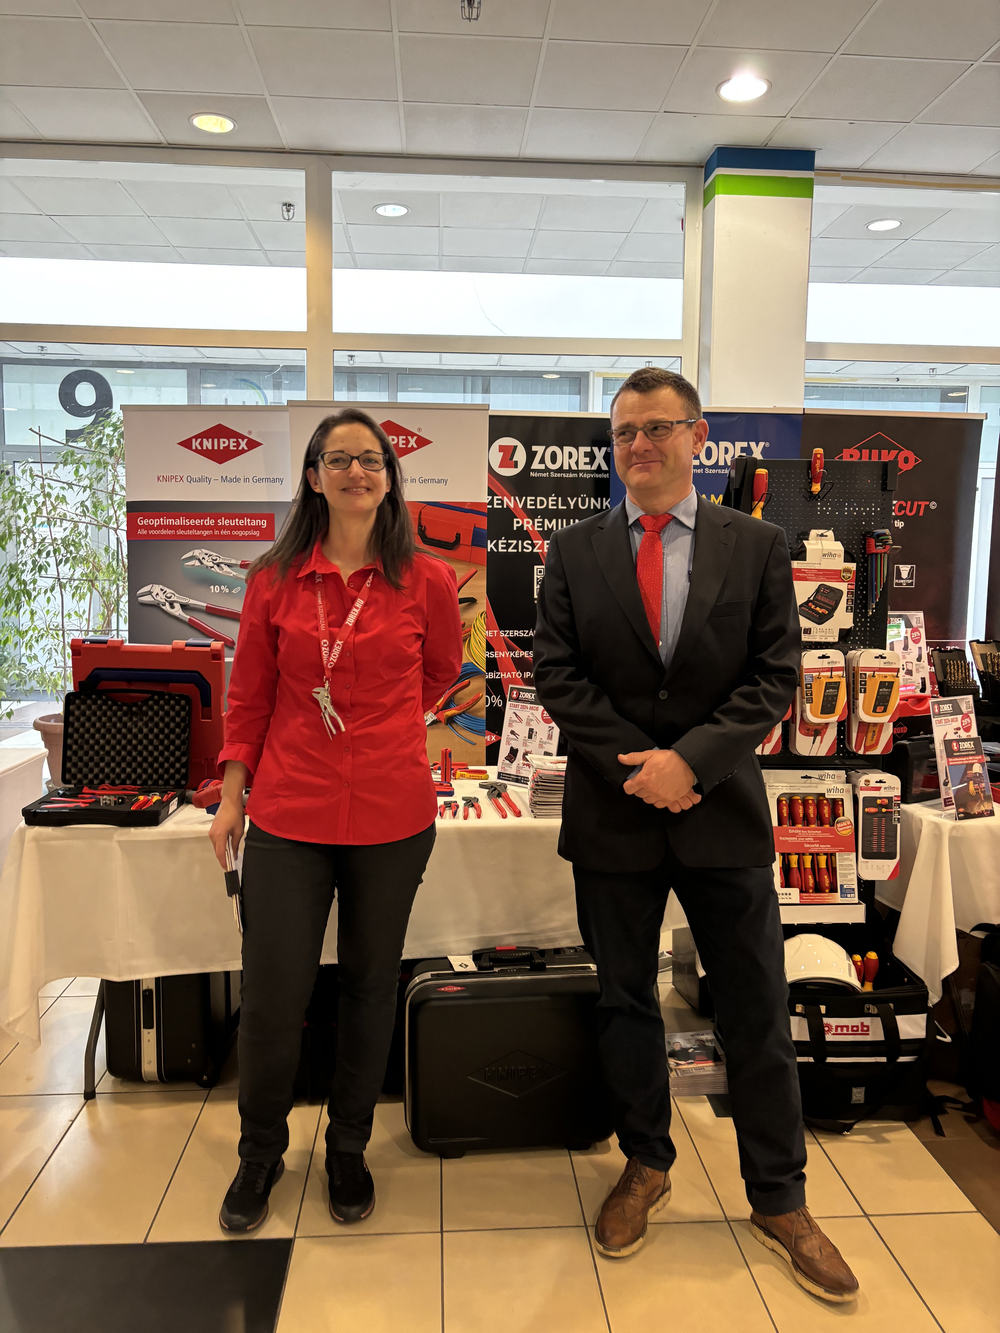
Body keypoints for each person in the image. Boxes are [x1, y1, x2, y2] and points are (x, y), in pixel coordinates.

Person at [533, 368, 859, 1303]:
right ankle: (645, 1162)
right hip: (615, 814)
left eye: (658, 428)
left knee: (756, 1009)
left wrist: (692, 764)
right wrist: (642, 766)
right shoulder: (573, 550)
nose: (640, 445)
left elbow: (774, 673)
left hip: (722, 817)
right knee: (626, 1001)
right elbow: (558, 673)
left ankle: (781, 1197)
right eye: (625, 431)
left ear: (698, 436)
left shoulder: (756, 544)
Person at [209, 408, 462, 1234]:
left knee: (368, 985)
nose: (358, 471)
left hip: (393, 814)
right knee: (274, 992)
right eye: (339, 458)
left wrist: (385, 727)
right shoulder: (274, 580)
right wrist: (233, 796)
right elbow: (248, 696)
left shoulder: (426, 580)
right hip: (290, 812)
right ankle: (260, 1151)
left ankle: (348, 1146)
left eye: (372, 458)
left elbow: (442, 672)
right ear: (314, 477)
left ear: (390, 477)